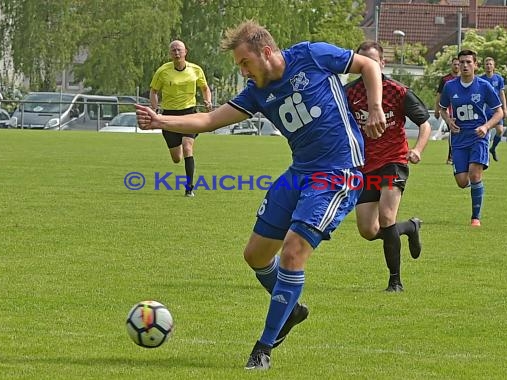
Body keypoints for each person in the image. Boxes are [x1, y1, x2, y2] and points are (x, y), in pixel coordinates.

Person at [136, 20, 386, 370]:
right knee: (255, 255)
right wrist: (161, 121)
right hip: (299, 172)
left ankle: (263, 348)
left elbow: (368, 65)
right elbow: (208, 121)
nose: (243, 71)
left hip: (337, 172)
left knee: (293, 252)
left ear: (265, 52)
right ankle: (292, 308)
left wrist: (375, 106)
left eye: (244, 63)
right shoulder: (256, 91)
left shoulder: (311, 55)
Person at [345, 42, 429, 292]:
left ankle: (395, 281)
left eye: (373, 61)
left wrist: (417, 150)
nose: (368, 66)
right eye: (363, 62)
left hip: (394, 160)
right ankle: (410, 227)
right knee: (368, 230)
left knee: (386, 216)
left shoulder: (398, 91)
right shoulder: (348, 93)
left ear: (382, 63)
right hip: (364, 166)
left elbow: (424, 124)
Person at [439, 49, 503, 227]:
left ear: (475, 64)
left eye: (468, 62)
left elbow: (499, 112)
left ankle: (475, 217)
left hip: (478, 137)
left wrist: (486, 126)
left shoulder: (483, 86)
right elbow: (443, 108)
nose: (465, 65)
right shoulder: (450, 86)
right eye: (462, 62)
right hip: (458, 139)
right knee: (462, 182)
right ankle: (477, 186)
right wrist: (448, 121)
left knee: (474, 175)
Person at [149, 40, 213, 197]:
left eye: (179, 50)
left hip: (189, 113)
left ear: (185, 52)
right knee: (177, 158)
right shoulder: (163, 71)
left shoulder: (195, 70)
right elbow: (154, 91)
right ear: (170, 54)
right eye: (173, 50)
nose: (176, 53)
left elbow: (205, 88)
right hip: (169, 116)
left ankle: (189, 188)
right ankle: (187, 181)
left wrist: (208, 100)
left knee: (187, 147)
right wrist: (155, 108)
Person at [480, 57, 507, 162]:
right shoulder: (481, 79)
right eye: (487, 64)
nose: (488, 66)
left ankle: (493, 148)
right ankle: (485, 153)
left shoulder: (499, 79)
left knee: (500, 130)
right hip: (485, 110)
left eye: (490, 64)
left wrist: (505, 109)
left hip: (497, 110)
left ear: (494, 66)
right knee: (485, 132)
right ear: (484, 66)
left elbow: (501, 94)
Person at [434, 57, 460, 165]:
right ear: (451, 65)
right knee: (453, 132)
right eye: (455, 64)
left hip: (460, 110)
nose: (457, 66)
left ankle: (458, 156)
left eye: (458, 64)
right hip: (448, 110)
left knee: (459, 133)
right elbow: (439, 95)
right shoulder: (445, 80)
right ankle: (451, 157)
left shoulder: (463, 79)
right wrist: (437, 109)